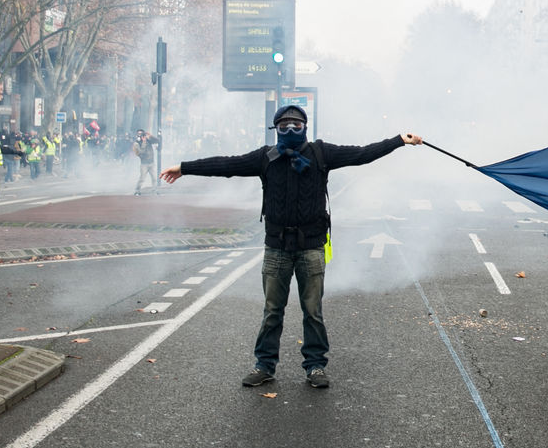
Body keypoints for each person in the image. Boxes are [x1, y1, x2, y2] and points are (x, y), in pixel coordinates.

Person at [160, 105, 423, 389]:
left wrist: (399, 140)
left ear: (305, 127)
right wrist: (184, 168)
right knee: (272, 311)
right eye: (284, 125)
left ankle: (316, 366)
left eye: (296, 125)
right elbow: (226, 165)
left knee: (313, 311)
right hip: (276, 247)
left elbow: (362, 154)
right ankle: (264, 366)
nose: (290, 129)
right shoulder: (265, 158)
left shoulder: (321, 153)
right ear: (276, 129)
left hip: (312, 247)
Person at [133, 129, 159, 195]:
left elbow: (157, 141)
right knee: (142, 178)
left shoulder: (148, 140)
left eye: (142, 134)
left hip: (151, 163)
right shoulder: (136, 143)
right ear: (137, 135)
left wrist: (150, 136)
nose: (140, 135)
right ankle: (137, 190)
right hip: (144, 164)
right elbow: (141, 152)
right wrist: (144, 142)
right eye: (139, 134)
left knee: (154, 178)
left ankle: (154, 190)